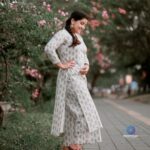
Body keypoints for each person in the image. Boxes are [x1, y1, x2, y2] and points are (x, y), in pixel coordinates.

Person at [44, 11, 103, 150]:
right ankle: (75, 145)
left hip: (80, 79)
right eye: (81, 23)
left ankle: (68, 145)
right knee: (82, 112)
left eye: (85, 25)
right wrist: (60, 64)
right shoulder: (62, 34)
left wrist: (87, 66)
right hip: (70, 79)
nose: (83, 27)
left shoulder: (79, 38)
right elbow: (49, 48)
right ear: (72, 21)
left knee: (73, 114)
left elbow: (84, 56)